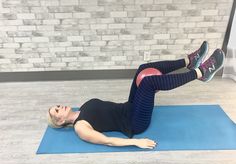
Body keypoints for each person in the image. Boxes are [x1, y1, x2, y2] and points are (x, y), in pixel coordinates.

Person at [47, 41, 225, 149]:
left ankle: (189, 61)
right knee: (148, 82)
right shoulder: (80, 128)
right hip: (134, 123)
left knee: (142, 69)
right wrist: (136, 143)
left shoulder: (82, 108)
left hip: (129, 107)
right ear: (61, 121)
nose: (59, 106)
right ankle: (202, 72)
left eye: (56, 106)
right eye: (56, 111)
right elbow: (107, 141)